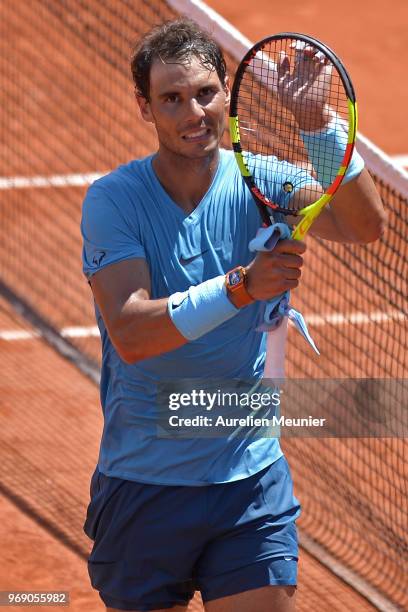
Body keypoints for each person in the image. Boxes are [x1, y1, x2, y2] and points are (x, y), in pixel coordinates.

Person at [81, 18, 385, 612]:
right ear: (145, 108)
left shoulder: (264, 181)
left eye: (205, 93)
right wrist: (244, 287)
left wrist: (317, 124)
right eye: (171, 98)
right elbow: (133, 333)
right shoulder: (114, 200)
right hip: (146, 484)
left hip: (249, 482)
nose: (193, 112)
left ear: (227, 92)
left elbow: (364, 226)